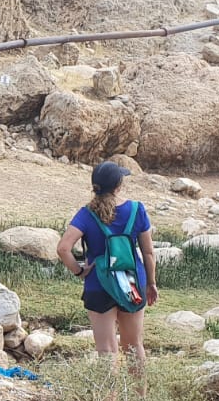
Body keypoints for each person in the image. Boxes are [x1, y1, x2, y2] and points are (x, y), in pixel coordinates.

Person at [56, 160, 158, 375]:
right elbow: (148, 252)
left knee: (106, 351)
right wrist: (151, 283)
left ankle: (108, 397)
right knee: (134, 346)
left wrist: (79, 271)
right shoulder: (136, 210)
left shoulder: (86, 214)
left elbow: (63, 248)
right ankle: (140, 395)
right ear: (118, 186)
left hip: (99, 284)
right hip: (131, 282)